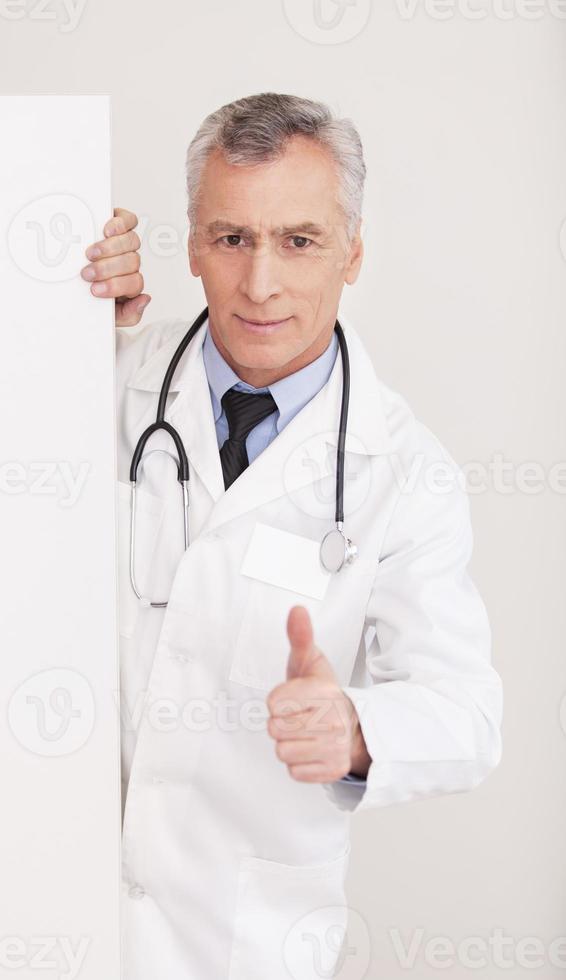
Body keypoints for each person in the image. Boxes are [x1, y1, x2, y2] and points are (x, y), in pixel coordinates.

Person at [80, 92, 503, 980]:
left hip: (241, 946)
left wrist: (354, 729)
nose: (261, 283)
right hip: (43, 910)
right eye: (232, 238)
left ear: (353, 253)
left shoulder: (403, 470)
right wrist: (54, 307)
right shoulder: (102, 378)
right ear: (192, 243)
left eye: (298, 241)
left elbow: (467, 714)